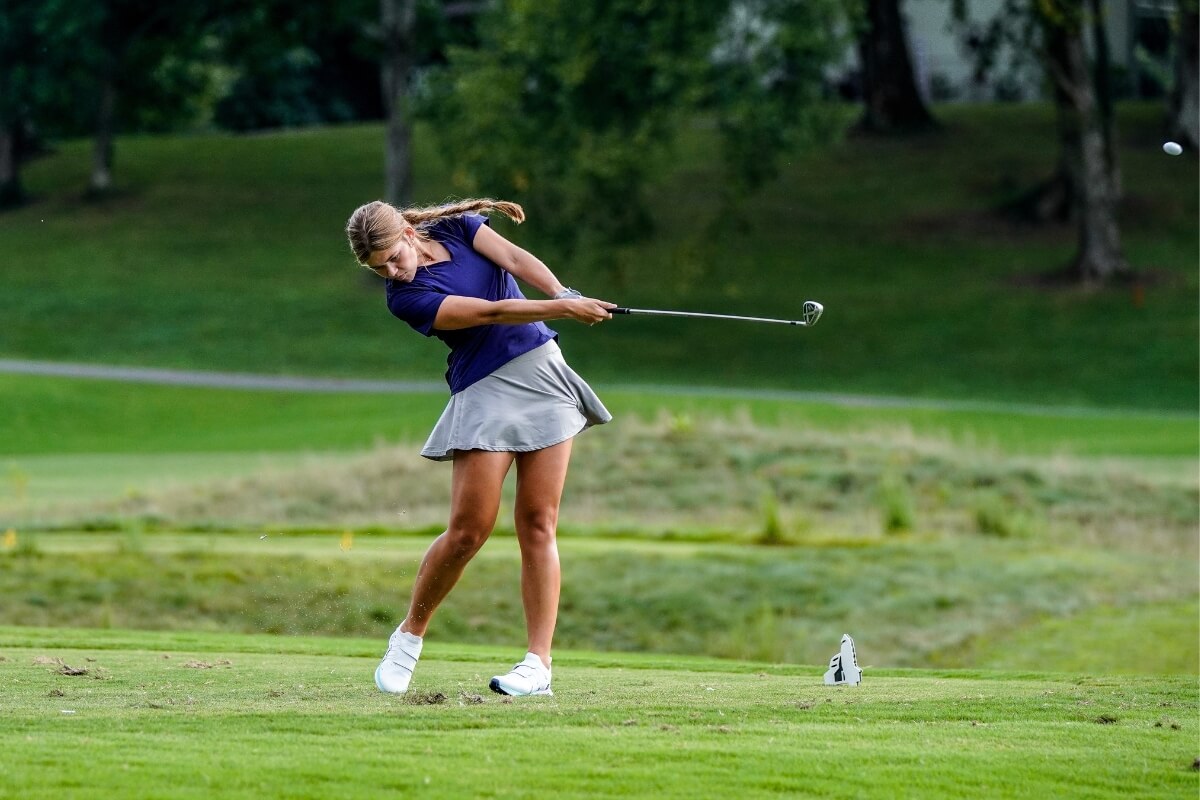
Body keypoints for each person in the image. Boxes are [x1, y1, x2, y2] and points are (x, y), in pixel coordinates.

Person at [344, 197, 614, 697]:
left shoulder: (456, 228)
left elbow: (514, 260)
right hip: (485, 390)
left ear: (407, 230)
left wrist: (562, 291)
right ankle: (408, 637)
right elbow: (490, 313)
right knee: (469, 531)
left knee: (538, 522)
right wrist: (562, 308)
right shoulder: (404, 299)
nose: (392, 272)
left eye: (392, 258)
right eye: (378, 268)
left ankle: (538, 665)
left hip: (544, 372)